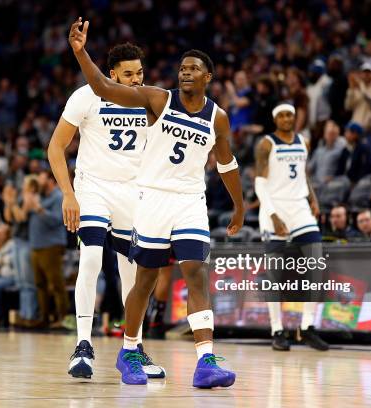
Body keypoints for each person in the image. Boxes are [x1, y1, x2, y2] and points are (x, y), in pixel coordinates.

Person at [68, 18, 244, 388]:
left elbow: (226, 163)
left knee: (195, 272)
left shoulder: (218, 118)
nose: (185, 73)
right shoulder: (157, 99)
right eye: (182, 68)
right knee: (144, 279)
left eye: (194, 69)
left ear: (209, 77)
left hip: (190, 201)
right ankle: (130, 348)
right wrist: (81, 52)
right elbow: (102, 86)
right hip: (149, 197)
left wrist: (240, 205)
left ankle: (205, 360)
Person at [48, 43, 164, 379]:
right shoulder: (85, 96)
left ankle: (135, 347)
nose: (135, 79)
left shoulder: (148, 100)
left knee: (135, 273)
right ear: (111, 74)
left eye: (139, 73)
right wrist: (68, 195)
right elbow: (56, 146)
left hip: (134, 191)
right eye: (127, 74)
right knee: (91, 258)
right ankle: (83, 344)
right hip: (93, 188)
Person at [254, 103, 329, 352]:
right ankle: (277, 329)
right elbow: (259, 184)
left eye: (291, 115)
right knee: (275, 274)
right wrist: (273, 215)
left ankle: (307, 327)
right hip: (274, 208)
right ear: (275, 119)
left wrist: (313, 198)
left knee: (316, 263)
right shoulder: (266, 144)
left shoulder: (304, 141)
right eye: (282, 115)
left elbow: (303, 174)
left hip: (299, 208)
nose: (287, 119)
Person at [26, 170, 67, 328]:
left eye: (41, 179)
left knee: (56, 284)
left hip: (51, 246)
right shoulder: (39, 196)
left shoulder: (58, 197)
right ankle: (44, 318)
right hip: (36, 245)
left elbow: (57, 220)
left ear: (50, 180)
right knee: (40, 284)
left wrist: (39, 209)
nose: (38, 182)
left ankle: (63, 318)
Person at [2, 179, 39, 327]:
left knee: (28, 281)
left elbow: (21, 217)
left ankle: (30, 314)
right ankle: (24, 314)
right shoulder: (19, 198)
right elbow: (9, 218)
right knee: (20, 282)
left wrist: (12, 203)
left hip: (27, 241)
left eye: (26, 183)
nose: (22, 185)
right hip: (16, 240)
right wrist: (8, 203)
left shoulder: (31, 198)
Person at [307, 120, 346, 189]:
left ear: (337, 134)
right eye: (328, 132)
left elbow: (343, 171)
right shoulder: (319, 151)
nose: (330, 135)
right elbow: (309, 169)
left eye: (332, 133)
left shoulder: (341, 150)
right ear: (324, 134)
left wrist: (333, 177)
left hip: (331, 185)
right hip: (315, 184)